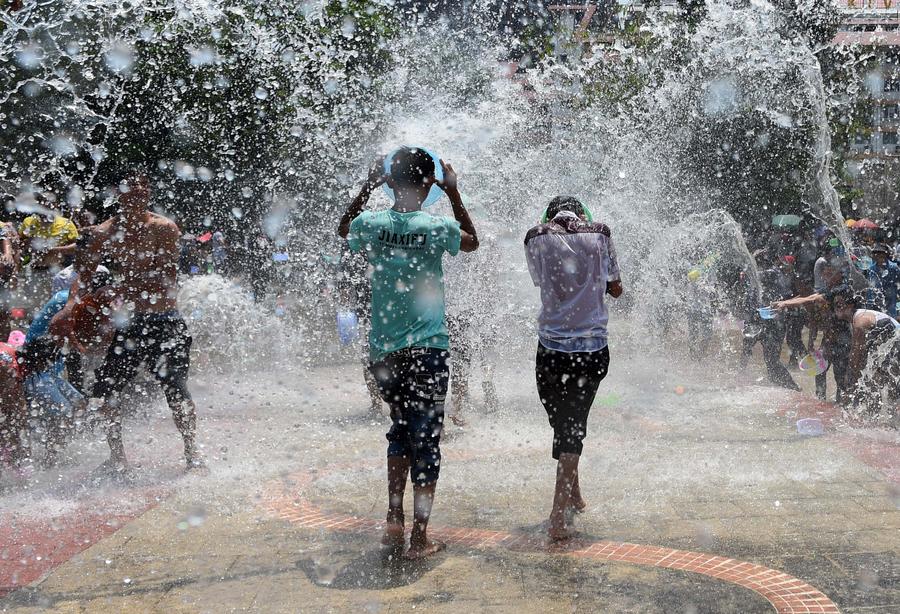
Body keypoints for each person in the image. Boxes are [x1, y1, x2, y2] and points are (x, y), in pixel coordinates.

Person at [338, 147, 478, 559]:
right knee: (427, 440)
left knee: (399, 430)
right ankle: (419, 537)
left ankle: (393, 519)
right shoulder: (434, 227)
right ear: (427, 182)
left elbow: (343, 228)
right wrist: (453, 194)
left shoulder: (372, 223)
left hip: (383, 350)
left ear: (389, 180)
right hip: (428, 351)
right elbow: (472, 242)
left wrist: (365, 188)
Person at [51, 174, 202, 476]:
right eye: (130, 191)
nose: (136, 196)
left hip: (165, 320)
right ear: (117, 195)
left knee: (175, 390)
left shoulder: (164, 229)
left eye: (142, 191)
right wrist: (69, 307)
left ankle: (192, 453)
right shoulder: (105, 231)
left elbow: (166, 281)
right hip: (132, 323)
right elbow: (83, 272)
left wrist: (117, 290)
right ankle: (117, 458)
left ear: (147, 195)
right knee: (106, 390)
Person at [524, 196, 622, 541]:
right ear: (583, 214)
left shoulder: (534, 237)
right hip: (591, 347)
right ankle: (573, 495)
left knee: (563, 422)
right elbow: (616, 288)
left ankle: (557, 512)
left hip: (550, 347)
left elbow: (541, 281)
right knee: (571, 424)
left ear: (549, 215)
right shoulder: (601, 233)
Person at [831, 290, 900, 414]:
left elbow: (857, 351)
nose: (836, 308)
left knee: (874, 378)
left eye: (840, 305)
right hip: (892, 341)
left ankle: (875, 416)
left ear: (851, 305)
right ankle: (886, 415)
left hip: (895, 342)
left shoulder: (859, 320)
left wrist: (851, 377)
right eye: (835, 305)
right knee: (883, 379)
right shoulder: (858, 318)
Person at [0, 220, 20, 340]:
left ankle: (3, 346)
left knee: (3, 314)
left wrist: (7, 254)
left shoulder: (3, 227)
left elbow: (11, 251)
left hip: (2, 280)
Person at [870, 243, 900, 317]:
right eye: (877, 253)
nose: (880, 255)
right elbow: (870, 288)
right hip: (877, 302)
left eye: (882, 253)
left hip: (891, 302)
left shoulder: (893, 267)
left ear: (886, 255)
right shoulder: (871, 269)